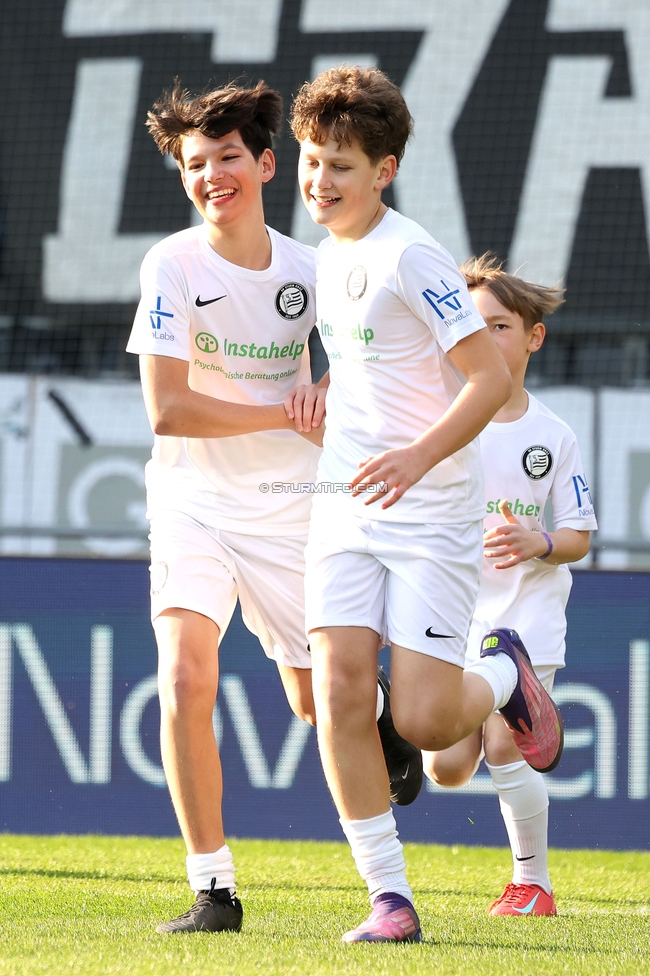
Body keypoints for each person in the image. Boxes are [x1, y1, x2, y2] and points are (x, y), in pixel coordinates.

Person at [126, 80, 421, 936]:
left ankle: (390, 727)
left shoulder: (313, 267)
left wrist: (331, 392)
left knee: (318, 704)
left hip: (295, 506)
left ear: (265, 164)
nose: (212, 175)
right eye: (194, 164)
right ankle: (213, 891)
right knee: (184, 676)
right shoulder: (172, 264)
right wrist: (286, 411)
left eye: (227, 158)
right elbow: (167, 410)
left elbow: (373, 356)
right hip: (192, 501)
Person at [286, 66, 564, 944]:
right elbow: (381, 363)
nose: (319, 180)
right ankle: (390, 899)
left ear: (386, 170)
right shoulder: (329, 255)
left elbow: (485, 379)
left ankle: (502, 678)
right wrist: (332, 397)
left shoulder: (413, 255)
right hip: (344, 500)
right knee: (335, 690)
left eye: (340, 164)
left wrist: (415, 455)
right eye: (309, 159)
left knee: (423, 720)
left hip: (432, 510)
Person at [423, 254, 598, 916]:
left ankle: (534, 884)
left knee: (504, 742)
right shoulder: (446, 422)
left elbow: (579, 535)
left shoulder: (551, 435)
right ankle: (412, 724)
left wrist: (540, 542)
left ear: (532, 336)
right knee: (447, 765)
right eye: (473, 327)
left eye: (500, 325)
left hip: (526, 618)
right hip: (457, 617)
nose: (486, 338)